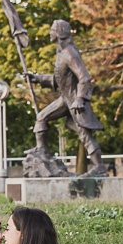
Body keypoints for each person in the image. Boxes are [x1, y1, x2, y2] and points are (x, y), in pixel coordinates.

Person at [25, 19, 107, 177]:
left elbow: (84, 78)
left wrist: (80, 99)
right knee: (41, 117)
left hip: (75, 102)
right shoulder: (61, 53)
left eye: (52, 30)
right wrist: (36, 78)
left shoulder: (69, 53)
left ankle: (99, 167)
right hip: (66, 99)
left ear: (59, 33)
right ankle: (42, 151)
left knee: (84, 135)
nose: (50, 33)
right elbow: (60, 80)